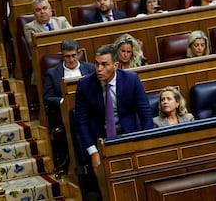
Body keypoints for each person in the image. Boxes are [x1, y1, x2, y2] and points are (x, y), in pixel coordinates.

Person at [74, 45, 154, 176]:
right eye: (97, 64)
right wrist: (93, 151)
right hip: (101, 140)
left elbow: (145, 114)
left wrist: (147, 143)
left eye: (104, 64)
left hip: (130, 136)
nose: (99, 69)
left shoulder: (131, 80)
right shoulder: (84, 85)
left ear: (116, 65)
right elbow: (81, 122)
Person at [43, 39, 94, 171]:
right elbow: (47, 98)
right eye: (67, 56)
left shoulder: (90, 68)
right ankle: (83, 165)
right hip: (65, 115)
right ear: (62, 56)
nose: (71, 60)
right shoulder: (53, 73)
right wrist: (62, 101)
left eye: (73, 56)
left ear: (79, 53)